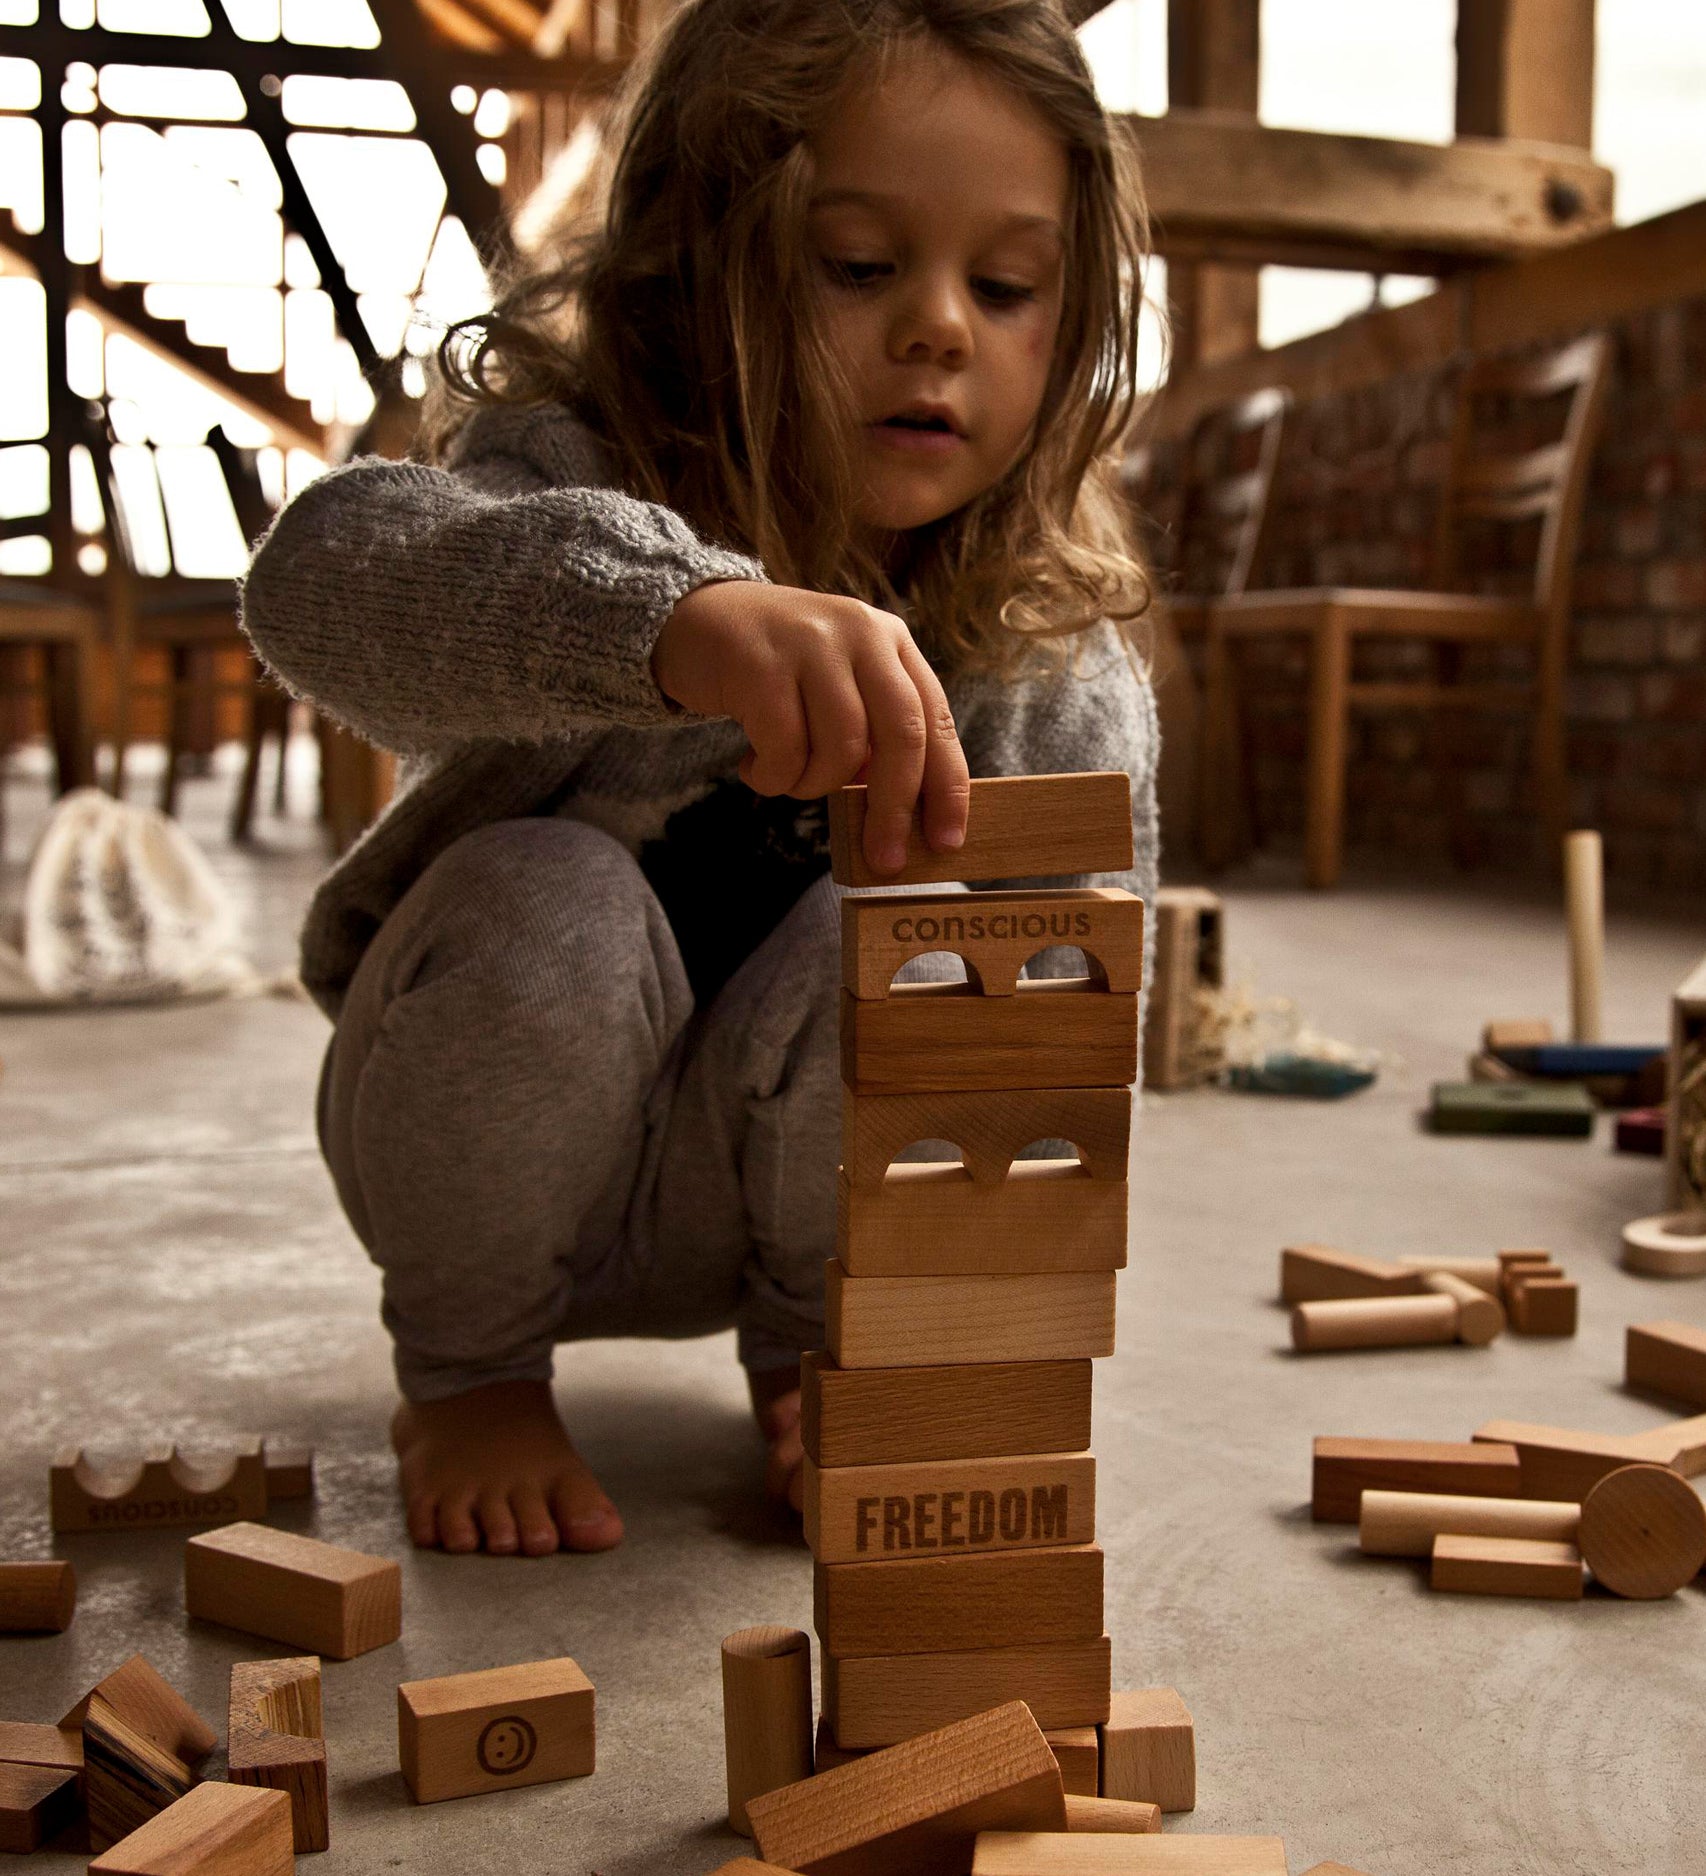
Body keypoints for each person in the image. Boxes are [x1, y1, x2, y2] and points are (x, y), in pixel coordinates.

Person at [240, 0, 1160, 1559]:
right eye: (860, 267)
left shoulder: (1045, 655)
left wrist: (938, 1320)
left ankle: (813, 1345)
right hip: (489, 1145)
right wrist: (663, 620)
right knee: (554, 896)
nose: (939, 326)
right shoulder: (574, 472)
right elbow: (320, 580)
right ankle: (468, 1376)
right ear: (692, 269)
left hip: (790, 1202)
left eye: (1005, 288)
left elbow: (1063, 1026)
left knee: (927, 947)